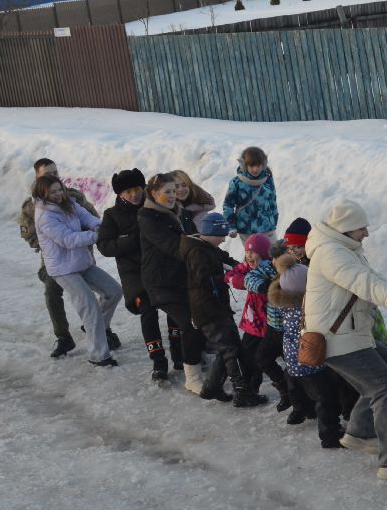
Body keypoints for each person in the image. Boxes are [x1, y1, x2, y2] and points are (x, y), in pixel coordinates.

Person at [305, 200, 387, 480]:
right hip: (336, 338)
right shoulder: (332, 254)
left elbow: (373, 277)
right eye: (361, 228)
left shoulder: (346, 249)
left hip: (350, 332)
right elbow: (366, 284)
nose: (367, 233)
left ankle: (359, 431)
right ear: (345, 229)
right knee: (384, 385)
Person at [31, 174, 122, 368]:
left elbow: (87, 217)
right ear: (43, 194)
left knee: (113, 291)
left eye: (59, 190)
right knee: (90, 307)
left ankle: (96, 327)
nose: (58, 194)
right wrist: (96, 236)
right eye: (52, 192)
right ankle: (99, 355)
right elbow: (68, 240)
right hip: (63, 269)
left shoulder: (69, 203)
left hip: (81, 262)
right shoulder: (45, 216)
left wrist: (99, 226)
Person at [19, 158, 103, 359]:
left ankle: (101, 330)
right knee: (52, 295)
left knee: (99, 295)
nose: (53, 177)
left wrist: (91, 234)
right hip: (54, 259)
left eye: (55, 172)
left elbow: (90, 216)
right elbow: (28, 233)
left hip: (81, 251)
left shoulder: (72, 196)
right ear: (38, 177)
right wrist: (49, 245)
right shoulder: (31, 206)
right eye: (47, 174)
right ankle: (64, 337)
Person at [97, 168, 175, 385]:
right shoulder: (112, 215)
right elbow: (104, 245)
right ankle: (158, 361)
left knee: (175, 310)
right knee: (148, 313)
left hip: (161, 270)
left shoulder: (152, 207)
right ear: (120, 194)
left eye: (137, 188)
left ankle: (182, 354)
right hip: (135, 276)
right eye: (128, 191)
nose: (134, 194)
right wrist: (133, 239)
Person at [179, 211, 264, 407]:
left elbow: (227, 261)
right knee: (230, 349)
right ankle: (241, 391)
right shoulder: (198, 251)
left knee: (229, 346)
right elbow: (204, 279)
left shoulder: (207, 247)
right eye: (221, 235)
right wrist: (226, 277)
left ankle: (212, 387)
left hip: (216, 307)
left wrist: (245, 269)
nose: (224, 239)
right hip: (208, 309)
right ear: (211, 232)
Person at [137, 173, 208, 394]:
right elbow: (172, 245)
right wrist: (203, 257)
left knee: (198, 318)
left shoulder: (179, 213)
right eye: (166, 191)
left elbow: (196, 239)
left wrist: (222, 257)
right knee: (189, 321)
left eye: (173, 190)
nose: (172, 195)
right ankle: (192, 377)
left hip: (180, 279)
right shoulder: (148, 217)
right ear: (153, 193)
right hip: (160, 284)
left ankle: (194, 360)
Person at [270, 249, 346, 449]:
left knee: (298, 384)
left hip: (294, 359)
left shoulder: (286, 306)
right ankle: (330, 435)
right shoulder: (305, 310)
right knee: (325, 397)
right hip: (309, 360)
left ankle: (303, 410)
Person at [226, 233, 288, 405]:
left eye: (254, 252)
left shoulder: (272, 269)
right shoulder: (247, 269)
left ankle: (293, 389)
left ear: (264, 253)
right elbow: (232, 276)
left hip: (272, 324)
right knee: (249, 359)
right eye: (247, 252)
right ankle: (248, 391)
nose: (250, 256)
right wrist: (239, 279)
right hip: (253, 324)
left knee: (282, 356)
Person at [221, 146, 279, 241]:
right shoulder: (236, 182)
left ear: (263, 165)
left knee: (273, 255)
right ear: (244, 165)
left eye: (258, 165)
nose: (255, 169)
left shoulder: (268, 180)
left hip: (267, 228)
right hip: (247, 230)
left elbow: (272, 201)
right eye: (252, 166)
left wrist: (273, 221)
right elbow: (228, 205)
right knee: (253, 256)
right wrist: (231, 226)